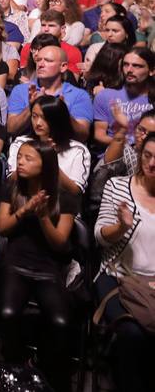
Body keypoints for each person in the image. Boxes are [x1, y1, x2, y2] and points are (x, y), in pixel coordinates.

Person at [0, 139, 78, 392]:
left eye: (28, 158)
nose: (20, 162)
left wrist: (43, 216)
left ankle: (40, 366)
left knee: (61, 321)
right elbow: (2, 228)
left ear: (46, 164)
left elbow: (60, 244)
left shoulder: (65, 197)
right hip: (16, 262)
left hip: (48, 267)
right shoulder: (11, 186)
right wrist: (25, 211)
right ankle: (16, 366)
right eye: (20, 156)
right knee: (8, 314)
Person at [95, 132, 155, 392]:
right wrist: (121, 227)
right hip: (118, 277)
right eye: (148, 156)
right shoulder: (118, 186)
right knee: (133, 334)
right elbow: (100, 235)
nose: (151, 163)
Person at [7, 95, 92, 196]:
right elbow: (11, 179)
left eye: (44, 118)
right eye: (34, 116)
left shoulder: (78, 150)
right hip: (24, 200)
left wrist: (51, 159)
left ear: (58, 119)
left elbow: (75, 190)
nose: (38, 123)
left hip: (62, 206)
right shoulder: (21, 143)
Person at [6, 44, 94, 138]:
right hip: (29, 146)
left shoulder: (79, 95)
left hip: (63, 147)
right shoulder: (21, 90)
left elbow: (83, 135)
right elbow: (11, 129)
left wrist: (63, 111)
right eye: (38, 60)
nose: (40, 64)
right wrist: (31, 107)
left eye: (48, 61)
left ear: (63, 67)